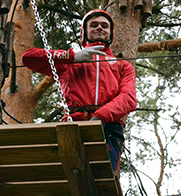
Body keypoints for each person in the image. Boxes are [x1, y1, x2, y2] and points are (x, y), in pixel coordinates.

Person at [22, 9, 137, 171]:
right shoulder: (70, 61)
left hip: (109, 129)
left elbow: (129, 98)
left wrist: (100, 117)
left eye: (105, 26)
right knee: (67, 175)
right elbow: (28, 58)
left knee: (100, 175)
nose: (99, 28)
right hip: (73, 123)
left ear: (111, 33)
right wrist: (72, 57)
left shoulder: (122, 66)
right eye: (94, 25)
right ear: (84, 32)